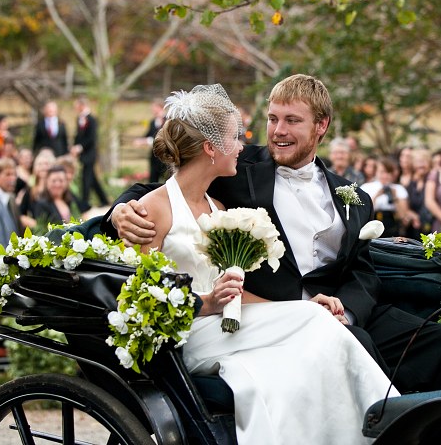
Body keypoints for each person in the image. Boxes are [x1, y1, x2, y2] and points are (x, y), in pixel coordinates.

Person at [108, 75, 441, 393]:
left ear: (321, 125)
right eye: (273, 119)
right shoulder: (238, 168)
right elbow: (162, 189)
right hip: (273, 314)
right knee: (353, 344)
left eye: (292, 121)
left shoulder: (354, 197)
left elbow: (361, 271)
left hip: (340, 310)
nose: (278, 131)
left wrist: (345, 312)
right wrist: (120, 211)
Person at [132, 84, 398, 444]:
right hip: (190, 334)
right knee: (320, 325)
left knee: (286, 368)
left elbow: (237, 294)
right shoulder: (152, 210)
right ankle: (393, 423)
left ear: (321, 125)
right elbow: (138, 292)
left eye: (290, 119)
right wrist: (207, 302)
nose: (243, 146)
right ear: (211, 148)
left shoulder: (219, 211)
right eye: (235, 138)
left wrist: (297, 310)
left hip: (232, 324)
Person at [71, 97, 109, 208]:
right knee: (92, 178)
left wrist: (80, 147)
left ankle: (85, 202)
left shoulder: (92, 119)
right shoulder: (79, 119)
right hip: (83, 153)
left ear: (82, 105)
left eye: (76, 106)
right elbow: (78, 136)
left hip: (90, 153)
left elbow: (92, 138)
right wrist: (74, 147)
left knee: (86, 177)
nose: (75, 109)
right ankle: (104, 199)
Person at [133, 99, 167, 183]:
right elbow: (148, 135)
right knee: (153, 179)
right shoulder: (152, 122)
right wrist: (140, 140)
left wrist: (145, 141)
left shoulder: (168, 120)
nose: (152, 110)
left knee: (166, 179)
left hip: (165, 155)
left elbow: (163, 137)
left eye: (154, 107)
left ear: (160, 107)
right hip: (154, 156)